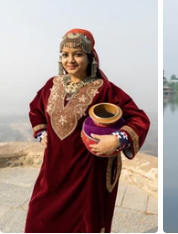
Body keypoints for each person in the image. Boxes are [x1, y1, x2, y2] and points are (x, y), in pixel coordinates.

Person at [26, 28, 150, 232]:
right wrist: (41, 133)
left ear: (90, 56)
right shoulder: (52, 85)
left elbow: (139, 118)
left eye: (78, 54)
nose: (70, 60)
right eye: (65, 54)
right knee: (38, 218)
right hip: (53, 170)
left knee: (82, 223)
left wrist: (119, 138)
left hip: (88, 172)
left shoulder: (104, 89)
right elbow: (36, 109)